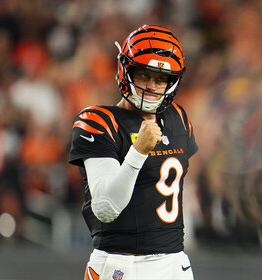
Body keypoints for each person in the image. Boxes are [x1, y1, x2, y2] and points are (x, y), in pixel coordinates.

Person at [69, 25, 198, 280]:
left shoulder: (178, 118)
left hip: (175, 262)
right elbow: (106, 207)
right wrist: (138, 152)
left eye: (161, 78)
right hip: (122, 263)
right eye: (143, 74)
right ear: (125, 71)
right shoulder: (99, 120)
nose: (151, 85)